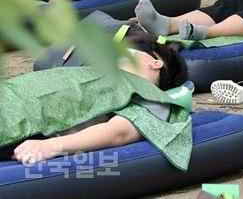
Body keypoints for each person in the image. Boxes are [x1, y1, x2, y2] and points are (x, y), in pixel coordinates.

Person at [0, 33, 188, 165]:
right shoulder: (87, 73)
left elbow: (119, 132)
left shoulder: (151, 96)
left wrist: (51, 146)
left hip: (12, 126)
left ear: (154, 62)